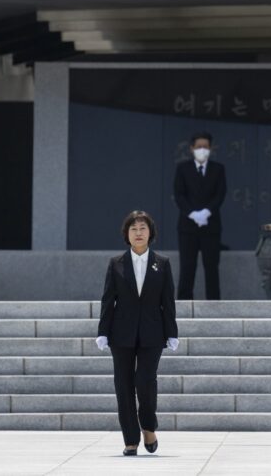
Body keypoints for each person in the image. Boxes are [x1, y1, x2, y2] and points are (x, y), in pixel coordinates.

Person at [96, 210, 180, 456]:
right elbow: (107, 299)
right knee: (123, 386)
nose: (139, 233)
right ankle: (130, 439)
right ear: (127, 234)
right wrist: (103, 331)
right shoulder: (116, 263)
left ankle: (148, 426)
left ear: (150, 233)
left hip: (153, 334)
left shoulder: (162, 263)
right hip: (121, 334)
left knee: (144, 381)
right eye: (134, 229)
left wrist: (172, 332)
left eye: (143, 228)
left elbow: (168, 301)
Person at [173, 131, 227, 299]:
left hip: (211, 226)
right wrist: (192, 214)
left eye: (205, 147)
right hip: (188, 227)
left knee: (211, 266)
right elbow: (179, 194)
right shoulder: (183, 168)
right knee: (187, 266)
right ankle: (184, 302)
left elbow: (220, 194)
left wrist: (206, 212)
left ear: (211, 148)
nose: (202, 150)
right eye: (199, 147)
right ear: (191, 148)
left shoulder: (218, 169)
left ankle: (213, 303)